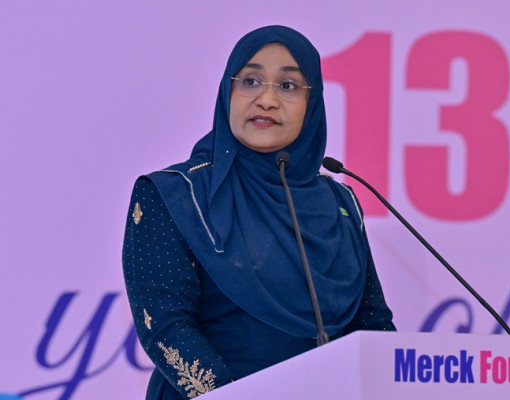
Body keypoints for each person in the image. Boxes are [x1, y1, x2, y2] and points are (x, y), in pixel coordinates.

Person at [122, 25, 395, 399]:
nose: (267, 99)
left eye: (288, 85)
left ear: (312, 103)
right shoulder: (175, 196)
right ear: (228, 92)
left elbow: (372, 322)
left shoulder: (339, 202)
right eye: (250, 81)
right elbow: (167, 327)